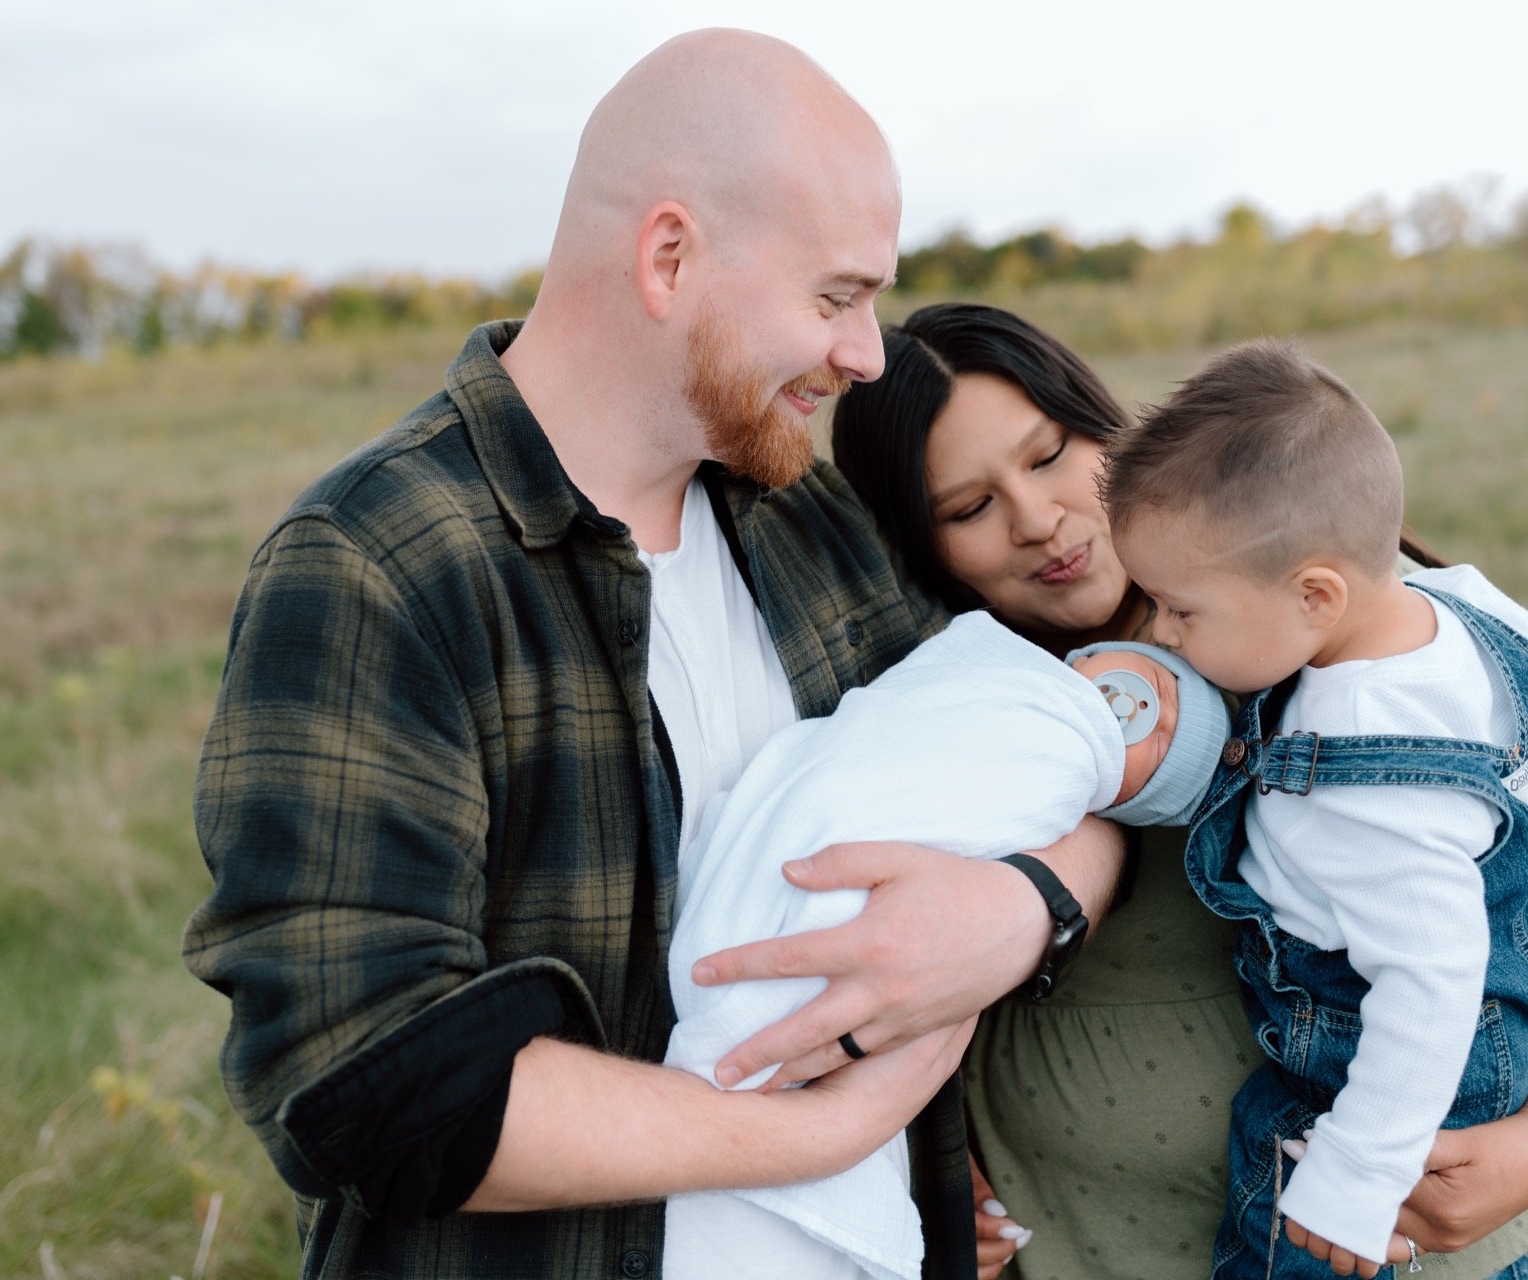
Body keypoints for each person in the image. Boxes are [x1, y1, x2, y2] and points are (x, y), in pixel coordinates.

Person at [183, 34, 1123, 1279]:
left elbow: (1066, 753)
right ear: (670, 255)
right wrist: (803, 1129)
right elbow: (359, 1079)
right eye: (836, 296)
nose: (868, 354)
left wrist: (1026, 904)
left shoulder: (816, 525)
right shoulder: (377, 562)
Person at [829, 303, 1528, 1280]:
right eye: (968, 508)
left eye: (1050, 453)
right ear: (919, 543)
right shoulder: (942, 702)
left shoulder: (1326, 604)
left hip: (1421, 1233)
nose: (1036, 519)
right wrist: (930, 1150)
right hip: (1093, 1242)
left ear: (1105, 425)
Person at [1099, 338, 1528, 1278]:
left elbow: (1429, 979)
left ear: (1315, 594)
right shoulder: (1463, 609)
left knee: (1278, 1157)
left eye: (1178, 609)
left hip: (1409, 1046)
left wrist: (1359, 1173)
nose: (1161, 630)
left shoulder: (1356, 792)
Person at [662, 619, 1231, 1280]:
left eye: (1160, 754)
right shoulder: (981, 662)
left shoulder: (1068, 770)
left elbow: (985, 816)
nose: (1135, 720)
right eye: (1161, 697)